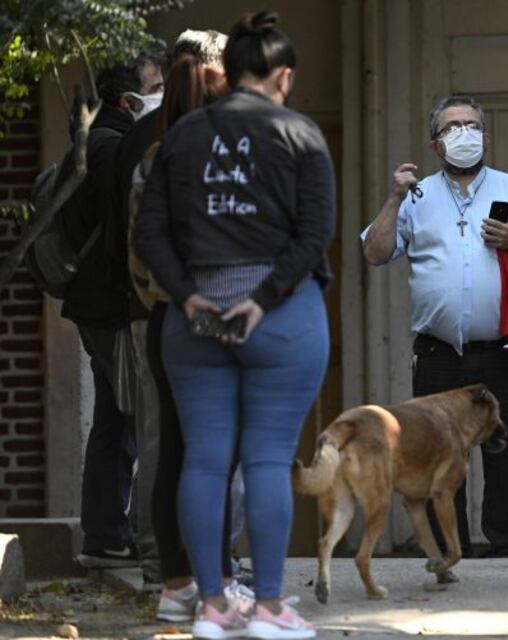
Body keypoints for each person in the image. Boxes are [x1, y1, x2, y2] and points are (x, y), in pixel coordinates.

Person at [134, 10, 334, 638]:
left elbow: (149, 232)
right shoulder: (300, 133)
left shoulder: (182, 137)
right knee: (270, 460)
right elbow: (314, 234)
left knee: (202, 460)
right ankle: (271, 607)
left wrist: (189, 295)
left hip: (194, 323)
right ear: (281, 76)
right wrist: (266, 294)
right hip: (282, 319)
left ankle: (212, 606)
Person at [361, 95, 508, 559]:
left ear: (486, 136)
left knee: (506, 456)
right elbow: (375, 252)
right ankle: (445, 555)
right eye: (452, 127)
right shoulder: (416, 196)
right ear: (435, 143)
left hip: (503, 352)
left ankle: (506, 555)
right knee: (439, 460)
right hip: (439, 356)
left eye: (471, 125)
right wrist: (393, 199)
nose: (464, 134)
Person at [126, 48, 254, 622]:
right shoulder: (211, 160)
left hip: (164, 315)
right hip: (207, 313)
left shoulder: (153, 159)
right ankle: (215, 582)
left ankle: (178, 583)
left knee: (178, 449)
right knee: (212, 454)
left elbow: (140, 250)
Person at [70, 51, 166, 570]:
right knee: (134, 418)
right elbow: (125, 228)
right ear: (130, 100)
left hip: (97, 302)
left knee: (114, 416)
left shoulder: (99, 139)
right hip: (110, 303)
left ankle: (105, 533)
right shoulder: (117, 145)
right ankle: (121, 534)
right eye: (156, 87)